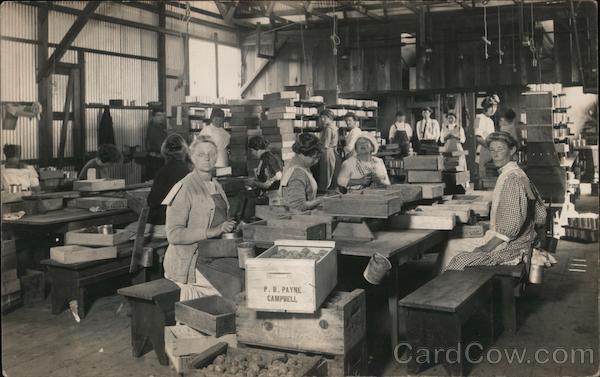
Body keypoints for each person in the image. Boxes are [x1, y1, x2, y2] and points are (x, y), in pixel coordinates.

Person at [441, 132, 547, 271]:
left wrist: (486, 247)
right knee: (451, 245)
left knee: (456, 256)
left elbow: (509, 230)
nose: (496, 155)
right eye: (492, 150)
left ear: (512, 150)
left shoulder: (511, 179)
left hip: (509, 248)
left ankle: (448, 288)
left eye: (500, 149)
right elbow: (541, 216)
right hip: (523, 242)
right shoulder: (519, 174)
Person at [163, 136, 242, 301]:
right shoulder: (184, 188)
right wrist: (212, 231)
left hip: (214, 252)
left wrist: (232, 226)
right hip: (192, 260)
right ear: (192, 157)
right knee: (235, 283)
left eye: (211, 154)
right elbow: (174, 235)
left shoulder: (216, 185)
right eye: (200, 154)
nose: (207, 158)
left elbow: (221, 220)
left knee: (247, 273)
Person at [146, 134, 193, 238]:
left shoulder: (163, 172)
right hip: (184, 222)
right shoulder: (189, 171)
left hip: (164, 224)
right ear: (184, 150)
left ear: (164, 151)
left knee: (130, 229)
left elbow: (152, 202)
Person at [279, 133, 324, 212]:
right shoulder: (297, 173)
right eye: (314, 158)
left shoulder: (294, 165)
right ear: (302, 154)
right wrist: (319, 201)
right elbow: (298, 205)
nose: (316, 161)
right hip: (299, 219)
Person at [248, 136, 283, 202]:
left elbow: (268, 184)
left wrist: (254, 183)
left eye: (252, 150)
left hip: (272, 197)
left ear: (257, 149)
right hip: (271, 195)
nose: (252, 153)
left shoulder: (267, 159)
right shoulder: (268, 157)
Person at [475, 95, 499, 185]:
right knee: (482, 175)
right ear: (485, 107)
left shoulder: (490, 121)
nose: (493, 109)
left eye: (495, 107)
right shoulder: (478, 117)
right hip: (482, 149)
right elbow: (477, 137)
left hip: (490, 149)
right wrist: (489, 146)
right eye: (490, 107)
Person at [145, 105, 168, 181]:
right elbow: (159, 144)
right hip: (155, 159)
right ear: (153, 116)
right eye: (158, 115)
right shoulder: (153, 126)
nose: (161, 117)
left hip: (159, 157)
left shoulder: (161, 126)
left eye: (163, 115)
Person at [318, 109, 339, 192]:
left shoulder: (328, 129)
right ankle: (327, 187)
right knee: (330, 170)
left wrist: (318, 150)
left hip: (327, 151)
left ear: (328, 117)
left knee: (325, 170)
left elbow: (326, 144)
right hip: (332, 151)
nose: (322, 120)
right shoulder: (334, 127)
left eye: (323, 118)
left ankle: (323, 188)